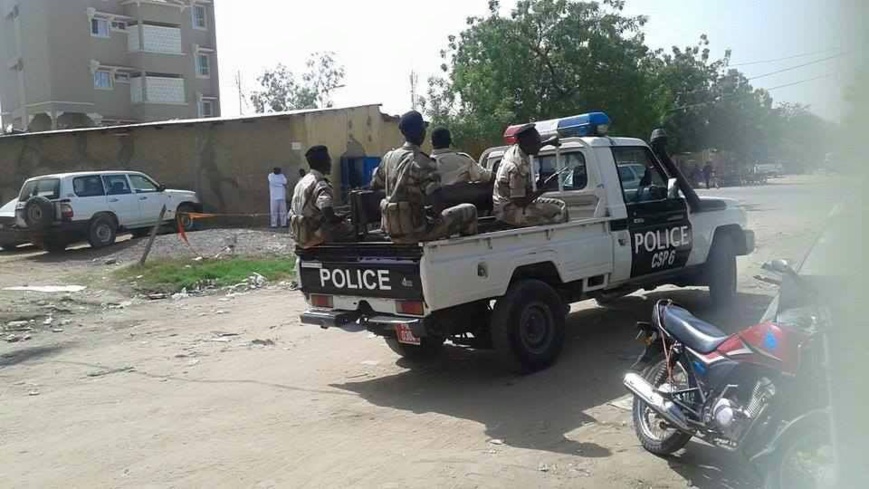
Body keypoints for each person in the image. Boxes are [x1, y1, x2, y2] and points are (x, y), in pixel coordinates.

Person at [371, 111, 478, 244]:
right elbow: (438, 203)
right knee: (470, 210)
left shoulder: (388, 158)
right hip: (418, 232)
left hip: (391, 231)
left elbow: (374, 185)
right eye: (423, 128)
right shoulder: (424, 162)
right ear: (420, 131)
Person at [492, 124, 568, 227]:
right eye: (536, 143)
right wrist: (543, 189)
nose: (539, 146)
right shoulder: (517, 168)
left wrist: (549, 142)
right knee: (557, 211)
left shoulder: (515, 149)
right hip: (509, 211)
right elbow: (519, 202)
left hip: (509, 204)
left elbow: (533, 146)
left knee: (561, 204)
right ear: (525, 144)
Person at [289, 146, 354, 248]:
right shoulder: (320, 184)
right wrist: (344, 216)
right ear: (324, 163)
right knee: (352, 229)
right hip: (315, 235)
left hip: (300, 235)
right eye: (329, 160)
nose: (330, 164)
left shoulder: (302, 182)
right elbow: (328, 214)